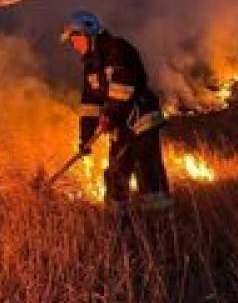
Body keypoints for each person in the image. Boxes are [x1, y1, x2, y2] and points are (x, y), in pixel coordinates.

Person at [60, 11, 172, 210]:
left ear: (88, 34)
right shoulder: (91, 66)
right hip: (120, 126)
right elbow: (89, 105)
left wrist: (108, 117)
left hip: (141, 121)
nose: (74, 45)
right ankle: (117, 222)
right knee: (115, 174)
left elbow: (122, 89)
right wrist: (85, 138)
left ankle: (160, 223)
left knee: (147, 172)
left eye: (75, 39)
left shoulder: (118, 50)